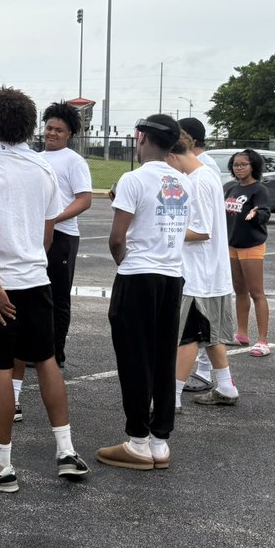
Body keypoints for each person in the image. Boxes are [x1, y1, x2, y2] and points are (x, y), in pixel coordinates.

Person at [0, 87, 86, 493]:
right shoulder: (43, 168)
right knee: (45, 360)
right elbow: (47, 233)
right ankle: (66, 451)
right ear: (30, 126)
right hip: (36, 280)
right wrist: (28, 265)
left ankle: (0, 466)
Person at [96, 114, 190, 472]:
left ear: (142, 140)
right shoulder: (184, 182)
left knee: (134, 358)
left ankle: (137, 441)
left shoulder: (132, 179)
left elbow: (117, 238)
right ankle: (159, 441)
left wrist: (124, 264)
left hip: (139, 275)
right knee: (163, 356)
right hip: (172, 276)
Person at [166, 133, 240, 413]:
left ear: (173, 156)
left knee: (187, 336)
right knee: (208, 334)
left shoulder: (195, 182)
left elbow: (200, 231)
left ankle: (171, 398)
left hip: (198, 274)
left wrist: (165, 229)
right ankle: (225, 386)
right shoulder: (208, 174)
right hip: (211, 273)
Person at [37, 102, 94, 367]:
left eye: (59, 130)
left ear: (69, 134)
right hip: (36, 235)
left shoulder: (74, 161)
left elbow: (84, 199)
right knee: (37, 293)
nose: (52, 133)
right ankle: (37, 347)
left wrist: (54, 217)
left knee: (58, 297)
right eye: (49, 127)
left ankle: (55, 352)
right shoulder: (37, 157)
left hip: (62, 236)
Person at [225, 149, 271, 355]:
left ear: (253, 166)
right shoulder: (231, 189)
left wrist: (257, 213)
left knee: (256, 293)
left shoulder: (258, 189)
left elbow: (265, 211)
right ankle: (241, 334)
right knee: (240, 291)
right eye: (236, 165)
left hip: (252, 246)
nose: (239, 168)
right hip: (232, 246)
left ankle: (263, 341)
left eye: (243, 164)